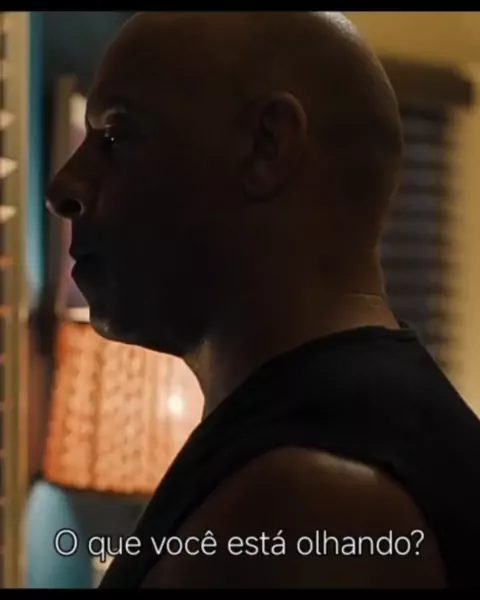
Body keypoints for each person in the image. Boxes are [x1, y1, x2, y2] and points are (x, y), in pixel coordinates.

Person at [46, 11, 480, 589]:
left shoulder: (311, 504)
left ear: (267, 146)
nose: (64, 188)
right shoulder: (356, 434)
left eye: (117, 136)